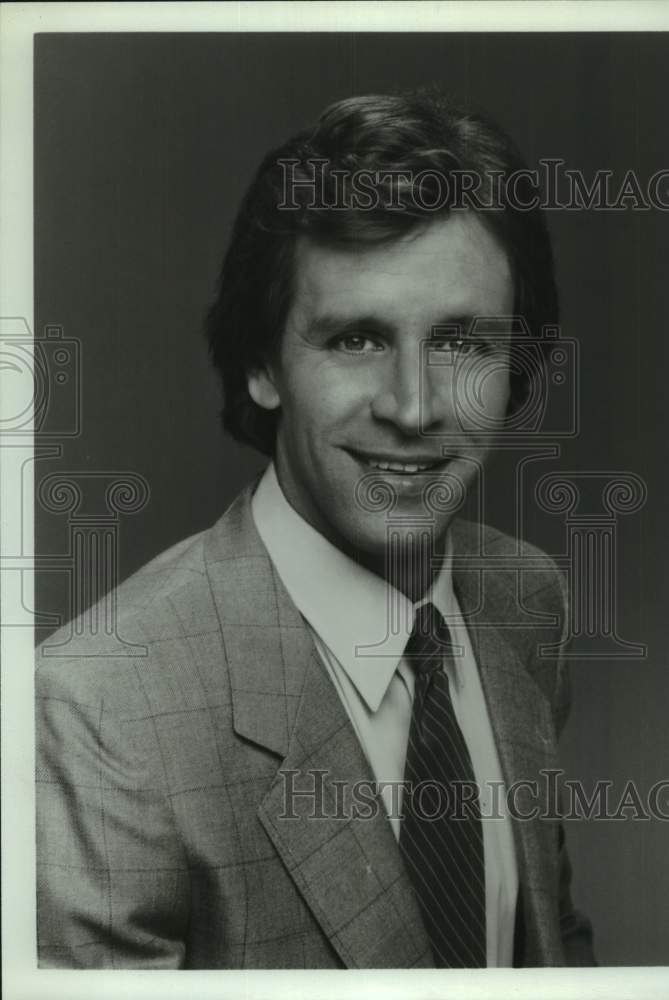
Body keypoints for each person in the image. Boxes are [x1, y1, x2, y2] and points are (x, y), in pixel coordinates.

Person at [35, 89, 595, 969]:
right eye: (358, 340)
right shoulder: (101, 713)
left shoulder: (528, 600)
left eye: (463, 343)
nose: (413, 407)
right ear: (263, 364)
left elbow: (550, 947)